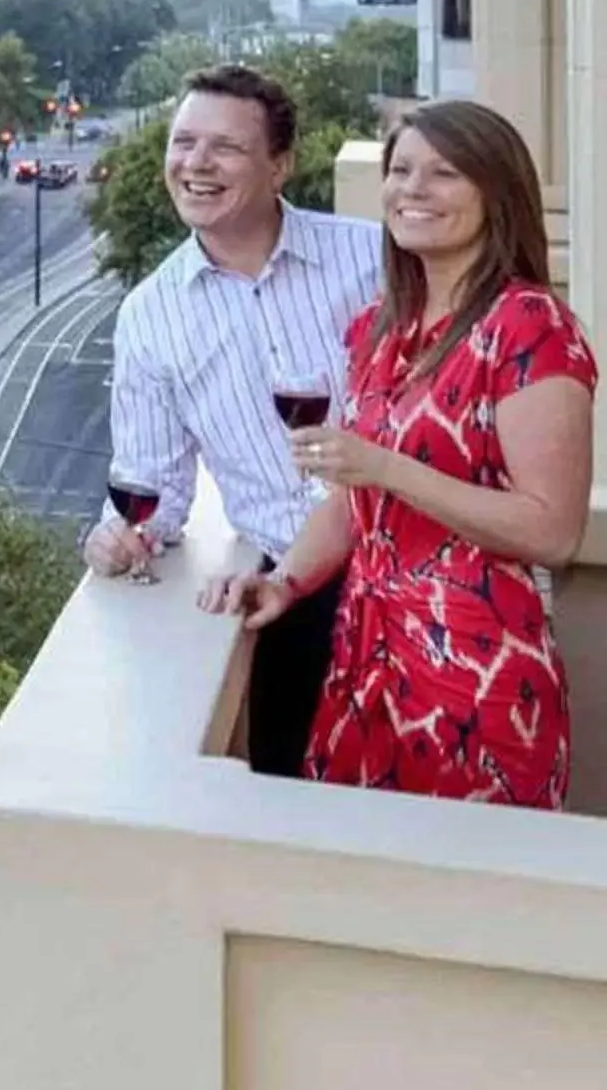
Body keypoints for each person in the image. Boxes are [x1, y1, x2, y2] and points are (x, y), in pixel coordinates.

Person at [206, 101, 597, 806]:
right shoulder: (379, 328)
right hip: (363, 666)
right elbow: (351, 505)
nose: (412, 189)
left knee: (462, 902)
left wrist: (384, 466)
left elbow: (553, 530)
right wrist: (286, 582)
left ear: (495, 193)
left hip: (475, 677)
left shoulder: (527, 323)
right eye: (401, 170)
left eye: (444, 173)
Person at [88, 65, 383, 777]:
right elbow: (150, 484)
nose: (196, 163)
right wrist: (121, 535)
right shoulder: (151, 315)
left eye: (225, 147)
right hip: (295, 596)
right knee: (301, 812)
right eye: (183, 141)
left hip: (420, 573)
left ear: (280, 165)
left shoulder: (373, 259)